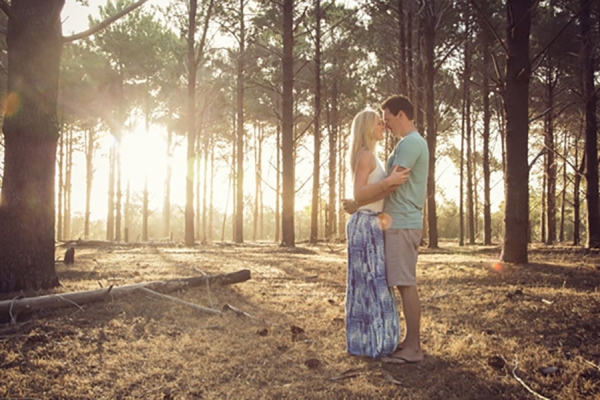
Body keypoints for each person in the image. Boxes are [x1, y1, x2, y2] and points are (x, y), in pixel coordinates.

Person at [344, 95, 428, 364]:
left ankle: (413, 348)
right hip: (392, 222)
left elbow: (393, 184)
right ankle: (403, 342)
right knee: (392, 284)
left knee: (405, 284)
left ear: (401, 115)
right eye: (381, 122)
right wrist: (359, 203)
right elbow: (385, 183)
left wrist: (357, 202)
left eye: (388, 119)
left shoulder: (411, 143)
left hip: (402, 222)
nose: (386, 125)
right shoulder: (401, 146)